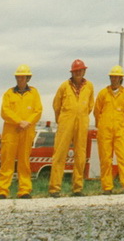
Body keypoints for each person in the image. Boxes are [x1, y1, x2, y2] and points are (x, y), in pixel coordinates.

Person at [0, 64, 42, 200]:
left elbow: (38, 110)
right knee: (6, 161)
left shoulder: (34, 93)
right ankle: (2, 190)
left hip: (27, 131)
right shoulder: (9, 93)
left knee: (24, 161)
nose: (20, 79)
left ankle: (24, 190)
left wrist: (27, 122)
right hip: (11, 131)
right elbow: (5, 111)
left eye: (23, 77)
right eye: (18, 77)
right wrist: (19, 122)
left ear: (28, 78)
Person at [48, 58, 94, 197]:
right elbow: (56, 105)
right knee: (60, 154)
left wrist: (81, 115)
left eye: (81, 70)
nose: (79, 73)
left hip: (82, 122)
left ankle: (77, 187)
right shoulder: (64, 86)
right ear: (72, 72)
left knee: (80, 154)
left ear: (84, 71)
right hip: (66, 122)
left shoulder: (90, 86)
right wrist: (61, 119)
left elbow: (90, 105)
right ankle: (54, 188)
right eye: (76, 71)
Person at [94, 65, 124, 194]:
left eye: (117, 77)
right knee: (105, 158)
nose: (114, 79)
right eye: (112, 77)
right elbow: (97, 111)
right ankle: (107, 187)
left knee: (123, 157)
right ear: (110, 78)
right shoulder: (103, 93)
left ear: (121, 79)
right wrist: (102, 125)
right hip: (104, 130)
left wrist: (120, 124)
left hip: (119, 129)